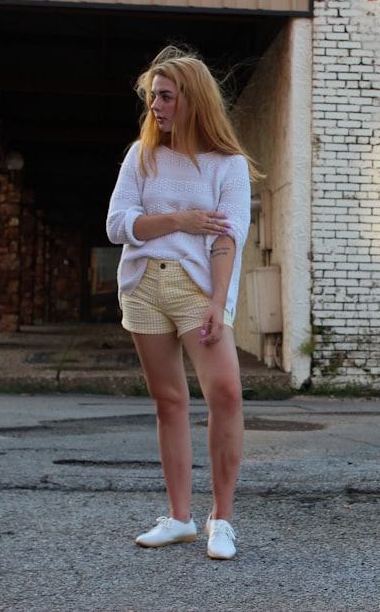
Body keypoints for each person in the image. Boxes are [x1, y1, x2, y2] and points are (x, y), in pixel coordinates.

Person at [106, 45, 259, 560]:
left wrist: (220, 301)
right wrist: (178, 220)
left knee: (226, 395)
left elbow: (228, 237)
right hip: (145, 285)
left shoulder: (228, 165)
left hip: (197, 292)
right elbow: (116, 225)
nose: (157, 107)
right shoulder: (141, 156)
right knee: (168, 402)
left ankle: (222, 520)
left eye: (167, 97)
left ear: (192, 100)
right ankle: (178, 518)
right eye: (153, 97)